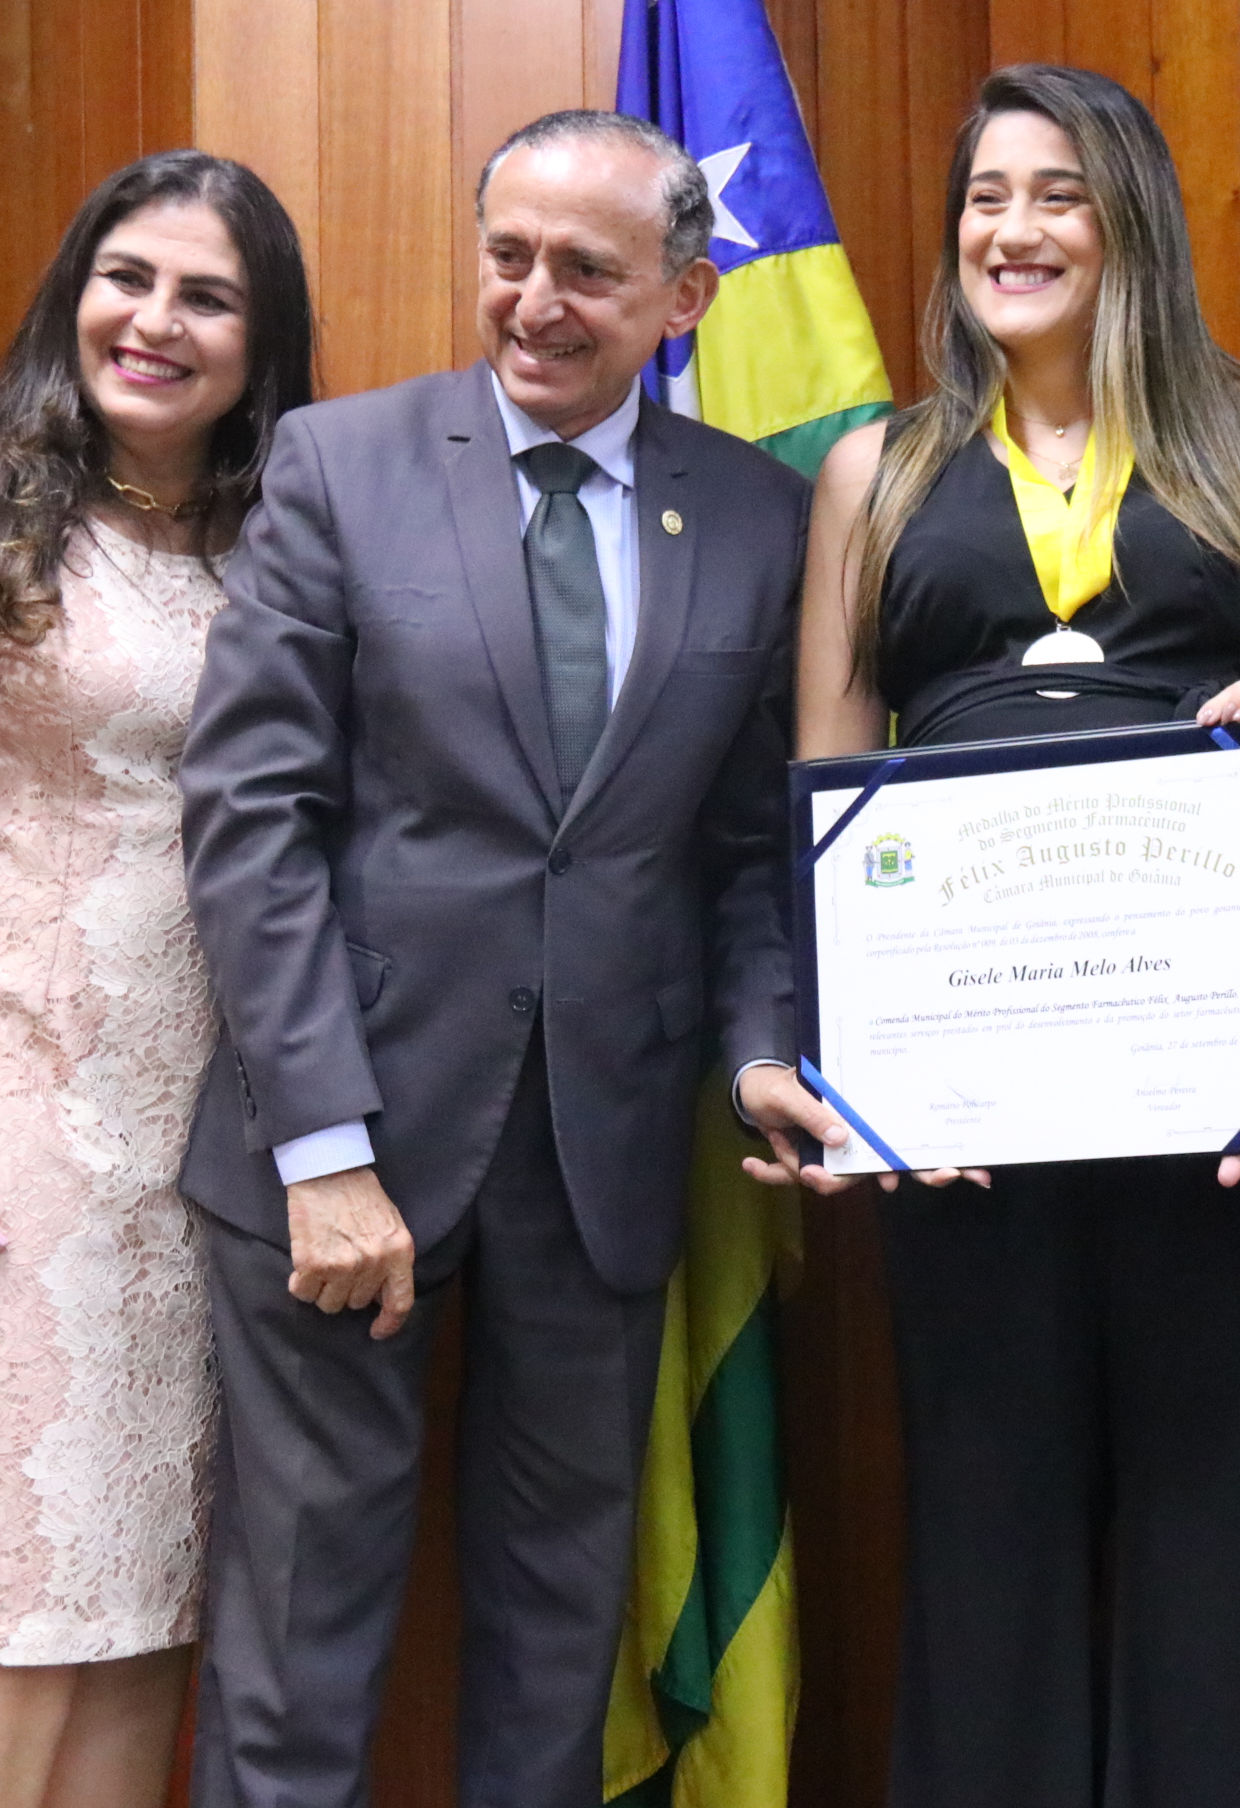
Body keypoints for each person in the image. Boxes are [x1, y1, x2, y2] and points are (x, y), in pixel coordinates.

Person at [177, 109, 826, 1807]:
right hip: (345, 1128)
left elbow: (745, 852)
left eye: (588, 272)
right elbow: (251, 818)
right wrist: (323, 1150)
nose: (535, 302)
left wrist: (763, 1049)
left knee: (558, 1627)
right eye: (509, 257)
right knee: (301, 1632)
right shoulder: (341, 466)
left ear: (685, 297)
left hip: (603, 1146)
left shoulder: (761, 516)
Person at [746, 63, 1240, 1807]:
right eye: (986, 197)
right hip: (969, 1102)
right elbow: (828, 781)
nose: (1013, 231)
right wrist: (861, 1074)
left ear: (1130, 222)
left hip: (1220, 1079)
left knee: (1239, 1530)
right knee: (989, 1534)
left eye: (1059, 193)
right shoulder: (877, 468)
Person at [0, 151, 314, 1808]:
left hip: (203, 1157)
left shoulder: (275, 534)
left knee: (136, 1612)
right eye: (128, 277)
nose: (155, 322)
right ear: (73, 291)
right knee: (5, 1598)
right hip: (0, 1139)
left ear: (262, 339)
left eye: (208, 297)